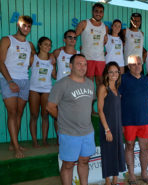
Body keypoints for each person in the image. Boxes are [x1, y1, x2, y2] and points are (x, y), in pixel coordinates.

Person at [46, 54, 96, 185]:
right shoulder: (62, 84)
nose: (82, 67)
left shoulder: (91, 84)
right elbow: (50, 107)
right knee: (68, 164)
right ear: (71, 66)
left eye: (85, 64)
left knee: (84, 161)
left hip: (87, 132)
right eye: (79, 64)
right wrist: (62, 119)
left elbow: (89, 105)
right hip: (69, 133)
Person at [0, 15, 35, 158]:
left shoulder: (29, 44)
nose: (26, 29)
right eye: (24, 25)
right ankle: (15, 147)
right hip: (8, 80)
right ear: (18, 25)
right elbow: (1, 62)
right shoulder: (6, 40)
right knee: (12, 114)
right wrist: (10, 81)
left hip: (24, 80)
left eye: (28, 27)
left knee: (19, 114)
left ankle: (14, 143)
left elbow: (31, 60)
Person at [119, 55, 148, 185]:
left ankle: (144, 173)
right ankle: (132, 175)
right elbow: (118, 99)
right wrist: (120, 121)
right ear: (129, 66)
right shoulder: (123, 79)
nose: (137, 66)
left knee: (145, 147)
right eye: (134, 64)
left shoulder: (146, 80)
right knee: (129, 146)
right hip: (128, 121)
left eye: (139, 63)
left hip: (144, 120)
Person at [98, 62, 125, 185]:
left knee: (117, 151)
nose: (114, 74)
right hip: (107, 125)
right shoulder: (103, 88)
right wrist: (106, 129)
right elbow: (100, 110)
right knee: (108, 152)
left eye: (116, 72)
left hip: (117, 125)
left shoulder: (118, 88)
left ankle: (115, 179)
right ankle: (107, 181)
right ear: (107, 74)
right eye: (111, 72)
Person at [29, 37, 56, 147]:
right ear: (39, 45)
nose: (48, 47)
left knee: (45, 116)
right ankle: (35, 141)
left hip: (46, 89)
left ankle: (44, 140)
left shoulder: (52, 60)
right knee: (34, 116)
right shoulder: (33, 58)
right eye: (45, 44)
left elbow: (54, 75)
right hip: (34, 89)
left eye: (49, 45)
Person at [76, 3, 109, 89]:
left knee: (101, 84)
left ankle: (100, 102)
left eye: (101, 12)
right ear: (92, 12)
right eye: (96, 11)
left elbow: (104, 42)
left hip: (100, 59)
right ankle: (88, 103)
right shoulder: (84, 23)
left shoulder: (105, 27)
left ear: (103, 13)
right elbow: (73, 37)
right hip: (87, 58)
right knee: (88, 84)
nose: (98, 13)